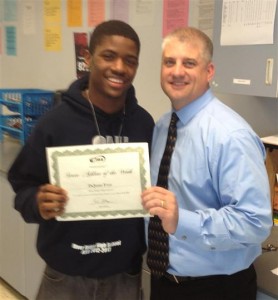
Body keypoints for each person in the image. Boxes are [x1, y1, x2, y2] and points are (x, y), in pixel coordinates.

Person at [8, 20, 154, 300]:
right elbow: (22, 188)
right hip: (65, 276)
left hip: (125, 276)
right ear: (88, 59)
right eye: (109, 56)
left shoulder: (143, 125)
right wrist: (37, 201)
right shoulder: (55, 124)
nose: (120, 68)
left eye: (130, 60)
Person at [141, 27, 272, 300]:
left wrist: (182, 221)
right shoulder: (163, 126)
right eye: (169, 62)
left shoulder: (230, 135)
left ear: (209, 71)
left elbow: (255, 222)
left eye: (189, 63)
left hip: (216, 289)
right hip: (163, 280)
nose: (177, 72)